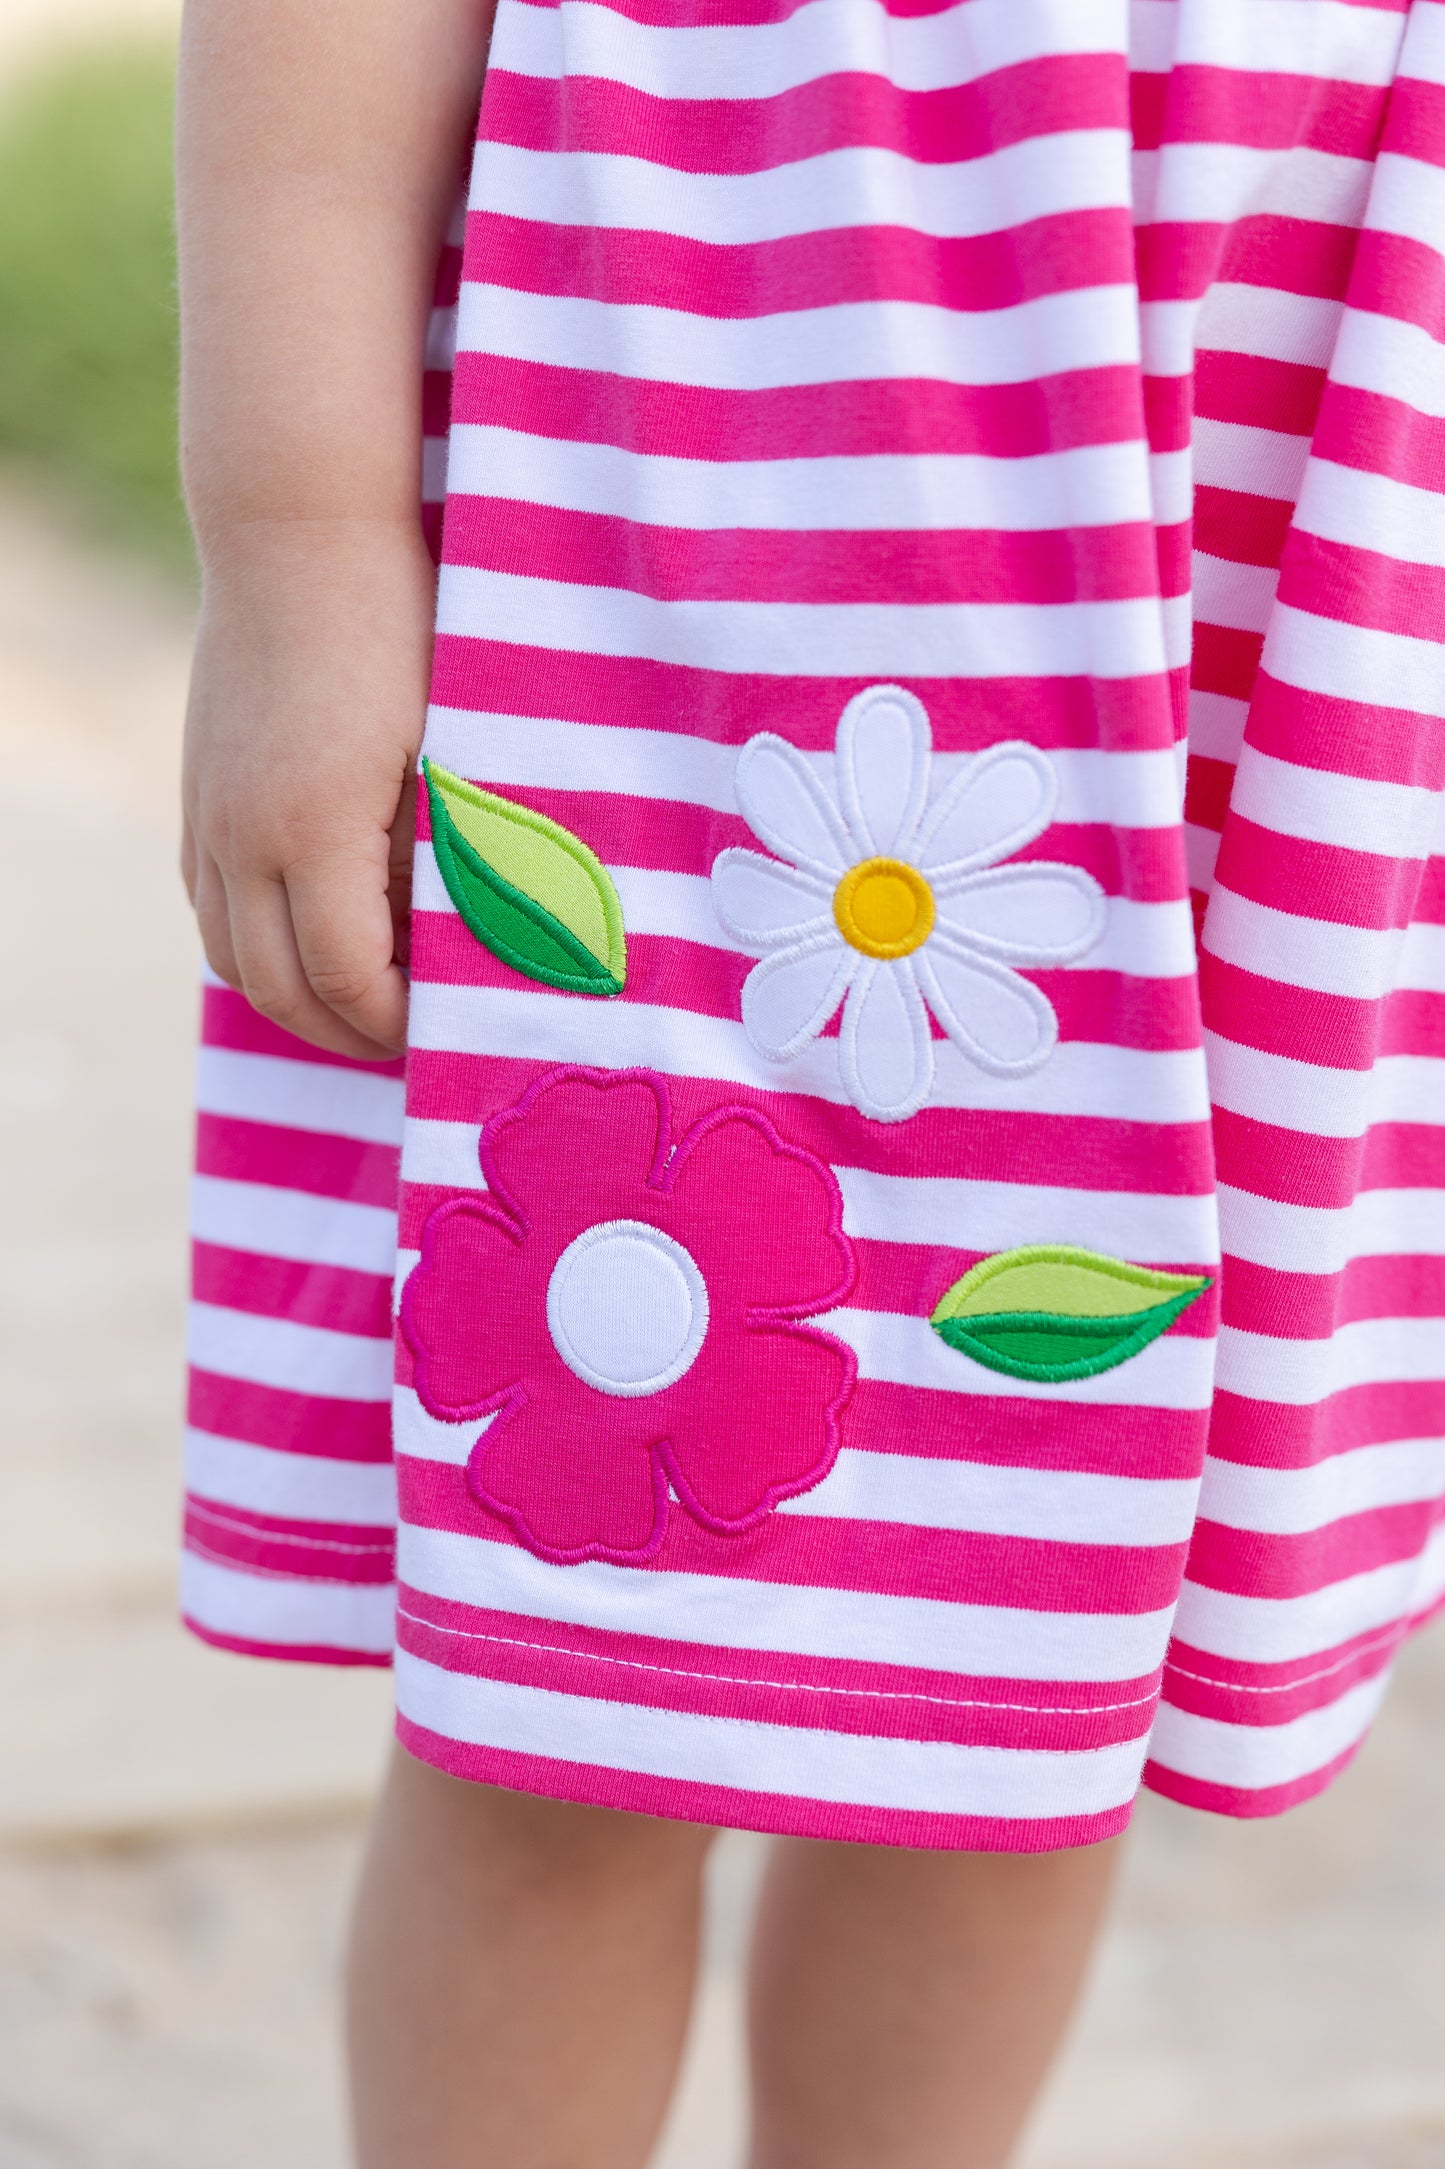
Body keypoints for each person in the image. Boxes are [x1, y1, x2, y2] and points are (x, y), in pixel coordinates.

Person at [174, 0, 1445, 2162]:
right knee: (575, 1644)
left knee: (1035, 1614)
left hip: (1268, 392)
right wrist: (299, 543)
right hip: (719, 473)